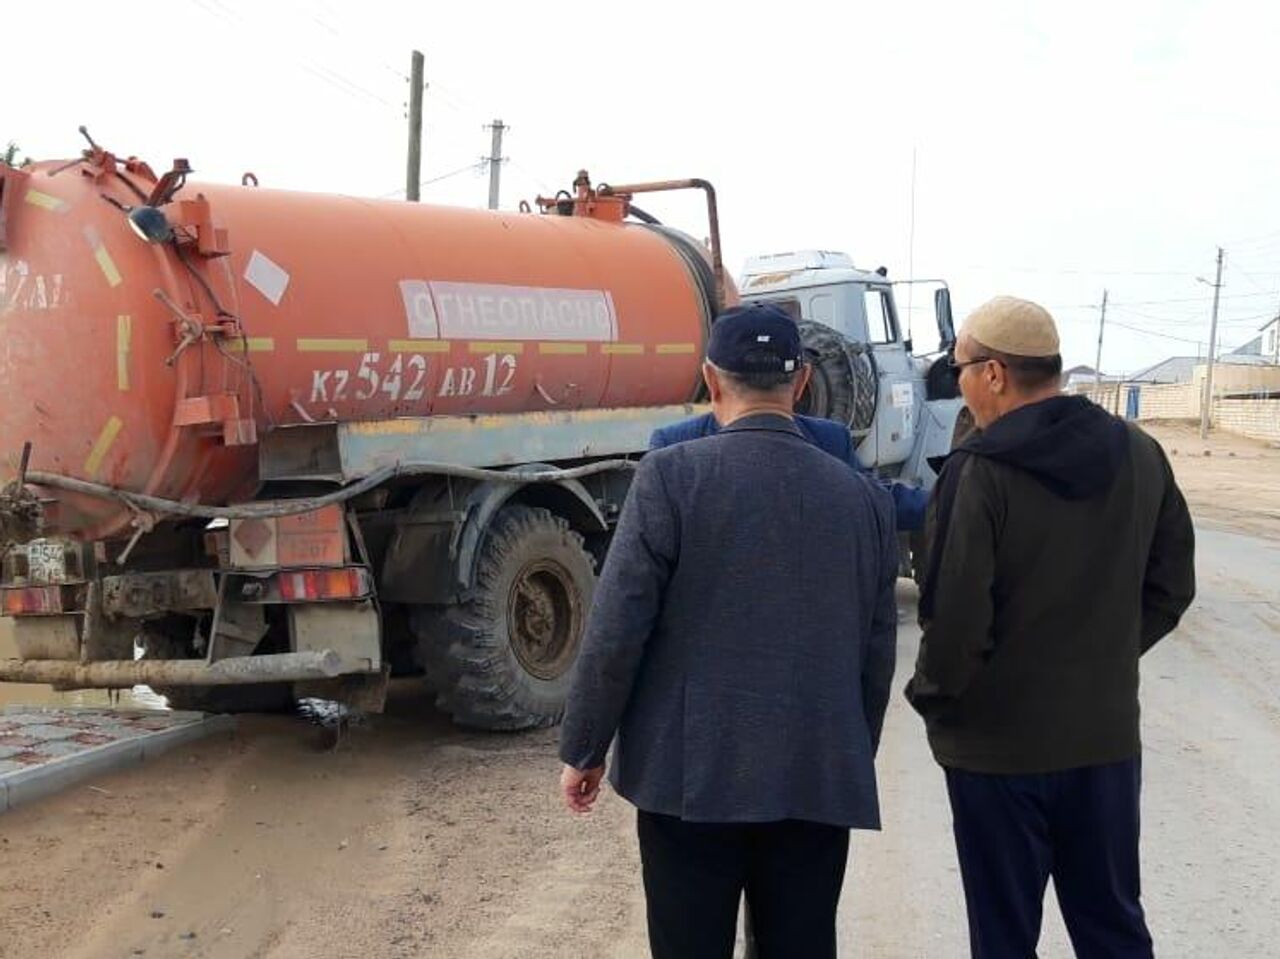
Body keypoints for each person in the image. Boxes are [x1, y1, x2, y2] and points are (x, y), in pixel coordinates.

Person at [558, 302, 899, 959]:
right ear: (800, 383)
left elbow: (618, 626)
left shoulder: (673, 476)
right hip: (815, 780)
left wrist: (586, 746)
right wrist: (846, 750)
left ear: (711, 381)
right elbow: (874, 653)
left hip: (690, 783)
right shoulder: (864, 501)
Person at [905, 296, 1196, 959]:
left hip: (995, 751)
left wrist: (935, 698)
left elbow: (955, 618)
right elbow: (1173, 584)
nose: (959, 388)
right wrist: (1105, 652)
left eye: (960, 371)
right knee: (1113, 927)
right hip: (1103, 742)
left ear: (996, 373)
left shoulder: (981, 472)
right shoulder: (1140, 452)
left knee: (1004, 937)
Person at [650, 388, 929, 532]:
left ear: (710, 378)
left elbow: (631, 591)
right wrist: (956, 500)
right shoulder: (829, 442)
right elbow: (880, 504)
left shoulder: (670, 451)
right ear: (802, 381)